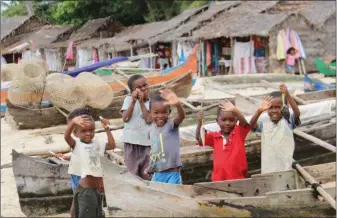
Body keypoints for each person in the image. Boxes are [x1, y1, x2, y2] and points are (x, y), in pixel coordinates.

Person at [65, 114, 115, 218]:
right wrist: (73, 122)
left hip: (94, 190)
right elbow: (66, 137)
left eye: (91, 130)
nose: (88, 133)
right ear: (76, 133)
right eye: (83, 131)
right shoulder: (77, 144)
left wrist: (107, 128)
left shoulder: (97, 143)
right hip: (86, 191)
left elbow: (112, 145)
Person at [250, 84, 301, 174]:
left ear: (284, 107)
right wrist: (259, 111)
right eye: (271, 108)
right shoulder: (264, 123)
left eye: (278, 107)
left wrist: (287, 95)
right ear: (266, 109)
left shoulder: (287, 120)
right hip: (269, 166)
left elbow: (296, 113)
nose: (274, 111)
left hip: (286, 165)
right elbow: (252, 125)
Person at [196, 100, 250, 182]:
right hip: (218, 181)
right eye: (223, 120)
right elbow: (200, 140)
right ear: (217, 121)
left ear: (236, 121)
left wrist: (234, 110)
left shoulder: (239, 133)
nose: (227, 123)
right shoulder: (214, 136)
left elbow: (245, 124)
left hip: (238, 180)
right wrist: (199, 123)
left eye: (231, 120)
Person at [56, 108, 93, 218]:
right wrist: (67, 157)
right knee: (75, 207)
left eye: (73, 127)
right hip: (76, 179)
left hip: (83, 180)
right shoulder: (78, 141)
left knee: (81, 207)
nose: (71, 131)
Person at [148, 89, 185, 184]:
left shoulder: (171, 124)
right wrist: (149, 166)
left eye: (164, 112)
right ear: (150, 113)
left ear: (169, 112)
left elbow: (181, 117)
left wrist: (177, 104)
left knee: (174, 195)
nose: (160, 116)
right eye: (156, 113)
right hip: (157, 173)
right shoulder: (152, 129)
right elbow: (154, 150)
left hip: (172, 173)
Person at [121, 74, 152, 180]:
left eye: (145, 85)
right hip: (131, 144)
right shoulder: (128, 100)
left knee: (147, 174)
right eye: (139, 87)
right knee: (132, 175)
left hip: (147, 144)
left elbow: (148, 120)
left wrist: (141, 102)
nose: (143, 88)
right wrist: (134, 101)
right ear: (132, 91)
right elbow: (125, 118)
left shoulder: (152, 102)